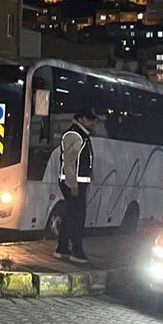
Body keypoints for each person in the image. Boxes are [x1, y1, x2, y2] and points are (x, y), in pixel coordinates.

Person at [55, 107, 96, 264]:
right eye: (89, 119)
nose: (92, 122)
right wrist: (73, 185)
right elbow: (69, 162)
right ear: (81, 119)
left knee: (70, 215)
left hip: (76, 182)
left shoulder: (81, 135)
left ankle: (62, 248)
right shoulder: (75, 135)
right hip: (73, 183)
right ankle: (76, 251)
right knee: (78, 218)